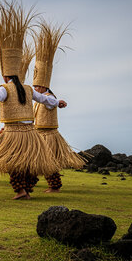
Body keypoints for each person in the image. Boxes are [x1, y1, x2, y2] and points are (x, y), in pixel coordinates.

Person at [0, 0, 64, 200]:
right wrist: (59, 102)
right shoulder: (29, 89)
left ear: (6, 75)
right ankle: (25, 191)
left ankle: (22, 191)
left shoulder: (6, 88)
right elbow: (46, 100)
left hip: (15, 134)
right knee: (28, 161)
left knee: (15, 162)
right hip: (30, 133)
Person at [32, 22, 85, 192]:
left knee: (49, 161)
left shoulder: (49, 98)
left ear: (43, 86)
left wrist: (59, 102)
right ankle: (27, 186)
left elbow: (52, 103)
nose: (34, 90)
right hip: (38, 134)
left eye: (36, 87)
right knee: (34, 160)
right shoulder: (39, 99)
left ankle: (54, 187)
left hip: (49, 135)